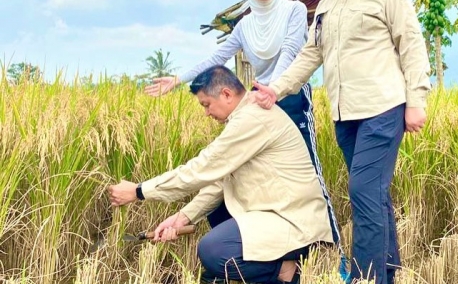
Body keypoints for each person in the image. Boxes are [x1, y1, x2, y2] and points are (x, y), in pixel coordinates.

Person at [252, 0, 431, 284]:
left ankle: (367, 277)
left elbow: (411, 45)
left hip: (383, 108)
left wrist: (417, 101)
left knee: (363, 191)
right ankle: (388, 272)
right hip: (344, 116)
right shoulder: (327, 6)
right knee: (373, 195)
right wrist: (276, 88)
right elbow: (309, 55)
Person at [144, 0, 342, 250]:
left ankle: (330, 246)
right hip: (257, 103)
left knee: (309, 176)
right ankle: (265, 245)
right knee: (240, 171)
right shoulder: (245, 25)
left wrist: (269, 92)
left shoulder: (294, 10)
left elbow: (289, 52)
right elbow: (216, 59)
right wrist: (177, 79)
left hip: (287, 99)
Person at [109, 65, 333, 284]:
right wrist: (182, 219)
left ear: (226, 94)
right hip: (273, 210)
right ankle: (262, 267)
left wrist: (139, 191)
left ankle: (286, 270)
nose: (206, 113)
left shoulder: (252, 119)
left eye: (206, 104)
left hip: (293, 220)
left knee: (213, 250)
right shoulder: (243, 117)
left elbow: (201, 169)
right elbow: (219, 182)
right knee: (218, 209)